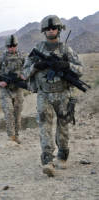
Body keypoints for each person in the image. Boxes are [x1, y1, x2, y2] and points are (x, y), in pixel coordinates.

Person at [22, 15, 84, 177]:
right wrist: (36, 66)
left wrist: (67, 65)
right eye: (48, 29)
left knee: (63, 127)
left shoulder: (65, 49)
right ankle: (47, 159)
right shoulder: (38, 49)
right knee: (45, 127)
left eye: (54, 28)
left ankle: (62, 155)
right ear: (44, 31)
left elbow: (80, 70)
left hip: (63, 93)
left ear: (59, 30)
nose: (51, 31)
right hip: (44, 94)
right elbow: (24, 72)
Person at [0, 35, 25, 144]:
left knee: (17, 113)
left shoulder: (22, 57)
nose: (12, 48)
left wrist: (24, 76)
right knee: (8, 111)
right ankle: (11, 136)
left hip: (18, 89)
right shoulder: (1, 58)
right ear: (6, 46)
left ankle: (17, 135)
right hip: (6, 90)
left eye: (14, 46)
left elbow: (28, 70)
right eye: (9, 46)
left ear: (17, 45)